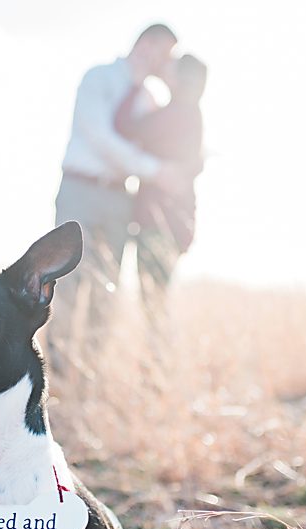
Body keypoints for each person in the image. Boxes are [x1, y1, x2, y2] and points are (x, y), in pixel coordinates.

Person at [48, 24, 183, 372]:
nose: (161, 59)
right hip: (81, 189)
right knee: (67, 281)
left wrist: (172, 82)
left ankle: (90, 369)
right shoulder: (99, 78)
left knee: (104, 288)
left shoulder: (150, 98)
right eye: (160, 50)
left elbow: (163, 133)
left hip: (121, 198)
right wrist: (153, 170)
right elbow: (100, 137)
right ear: (143, 43)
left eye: (168, 56)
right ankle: (59, 370)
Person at [115, 54, 207, 328]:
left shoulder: (174, 114)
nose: (165, 68)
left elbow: (124, 126)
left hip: (157, 221)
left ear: (180, 79)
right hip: (175, 220)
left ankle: (159, 364)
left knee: (153, 303)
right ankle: (159, 363)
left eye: (172, 67)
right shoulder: (191, 113)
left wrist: (135, 84)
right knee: (156, 300)